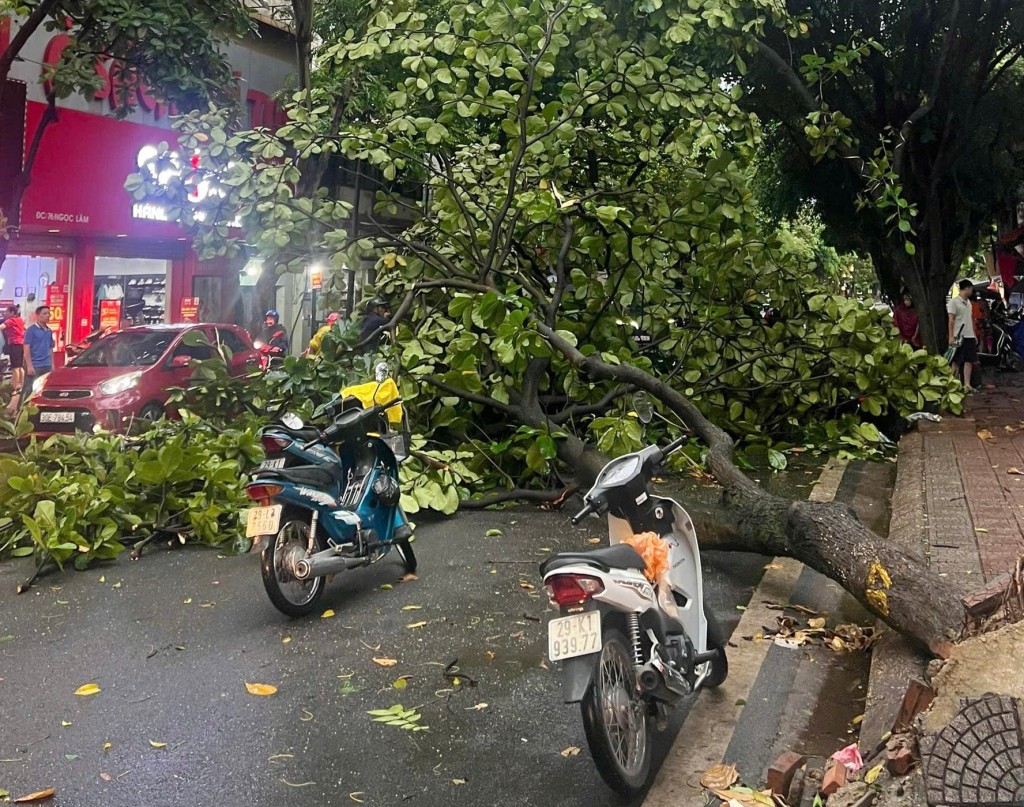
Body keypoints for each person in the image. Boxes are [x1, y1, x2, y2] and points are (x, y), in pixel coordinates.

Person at [948, 280, 979, 393]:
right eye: (971, 289)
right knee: (956, 360)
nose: (971, 291)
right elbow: (951, 320)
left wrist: (974, 334)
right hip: (958, 336)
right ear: (966, 288)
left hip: (969, 334)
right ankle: (952, 384)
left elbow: (970, 318)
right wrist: (951, 336)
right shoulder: (954, 302)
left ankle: (967, 384)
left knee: (969, 360)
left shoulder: (969, 302)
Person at [23, 306, 54, 402]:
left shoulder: (49, 331)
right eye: (44, 313)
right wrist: (29, 366)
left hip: (46, 365)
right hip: (35, 365)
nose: (47, 316)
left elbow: (50, 349)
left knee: (43, 390)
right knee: (29, 389)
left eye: (48, 313)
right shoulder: (31, 330)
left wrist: (52, 364)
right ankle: (20, 411)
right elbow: (26, 349)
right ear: (37, 315)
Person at [0, 305, 26, 415]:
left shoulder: (10, 321)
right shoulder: (20, 320)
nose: (5, 314)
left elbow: (1, 327)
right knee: (20, 367)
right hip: (21, 344)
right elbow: (25, 329)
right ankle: (21, 385)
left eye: (6, 311)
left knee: (15, 367)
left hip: (15, 345)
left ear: (12, 312)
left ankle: (15, 388)